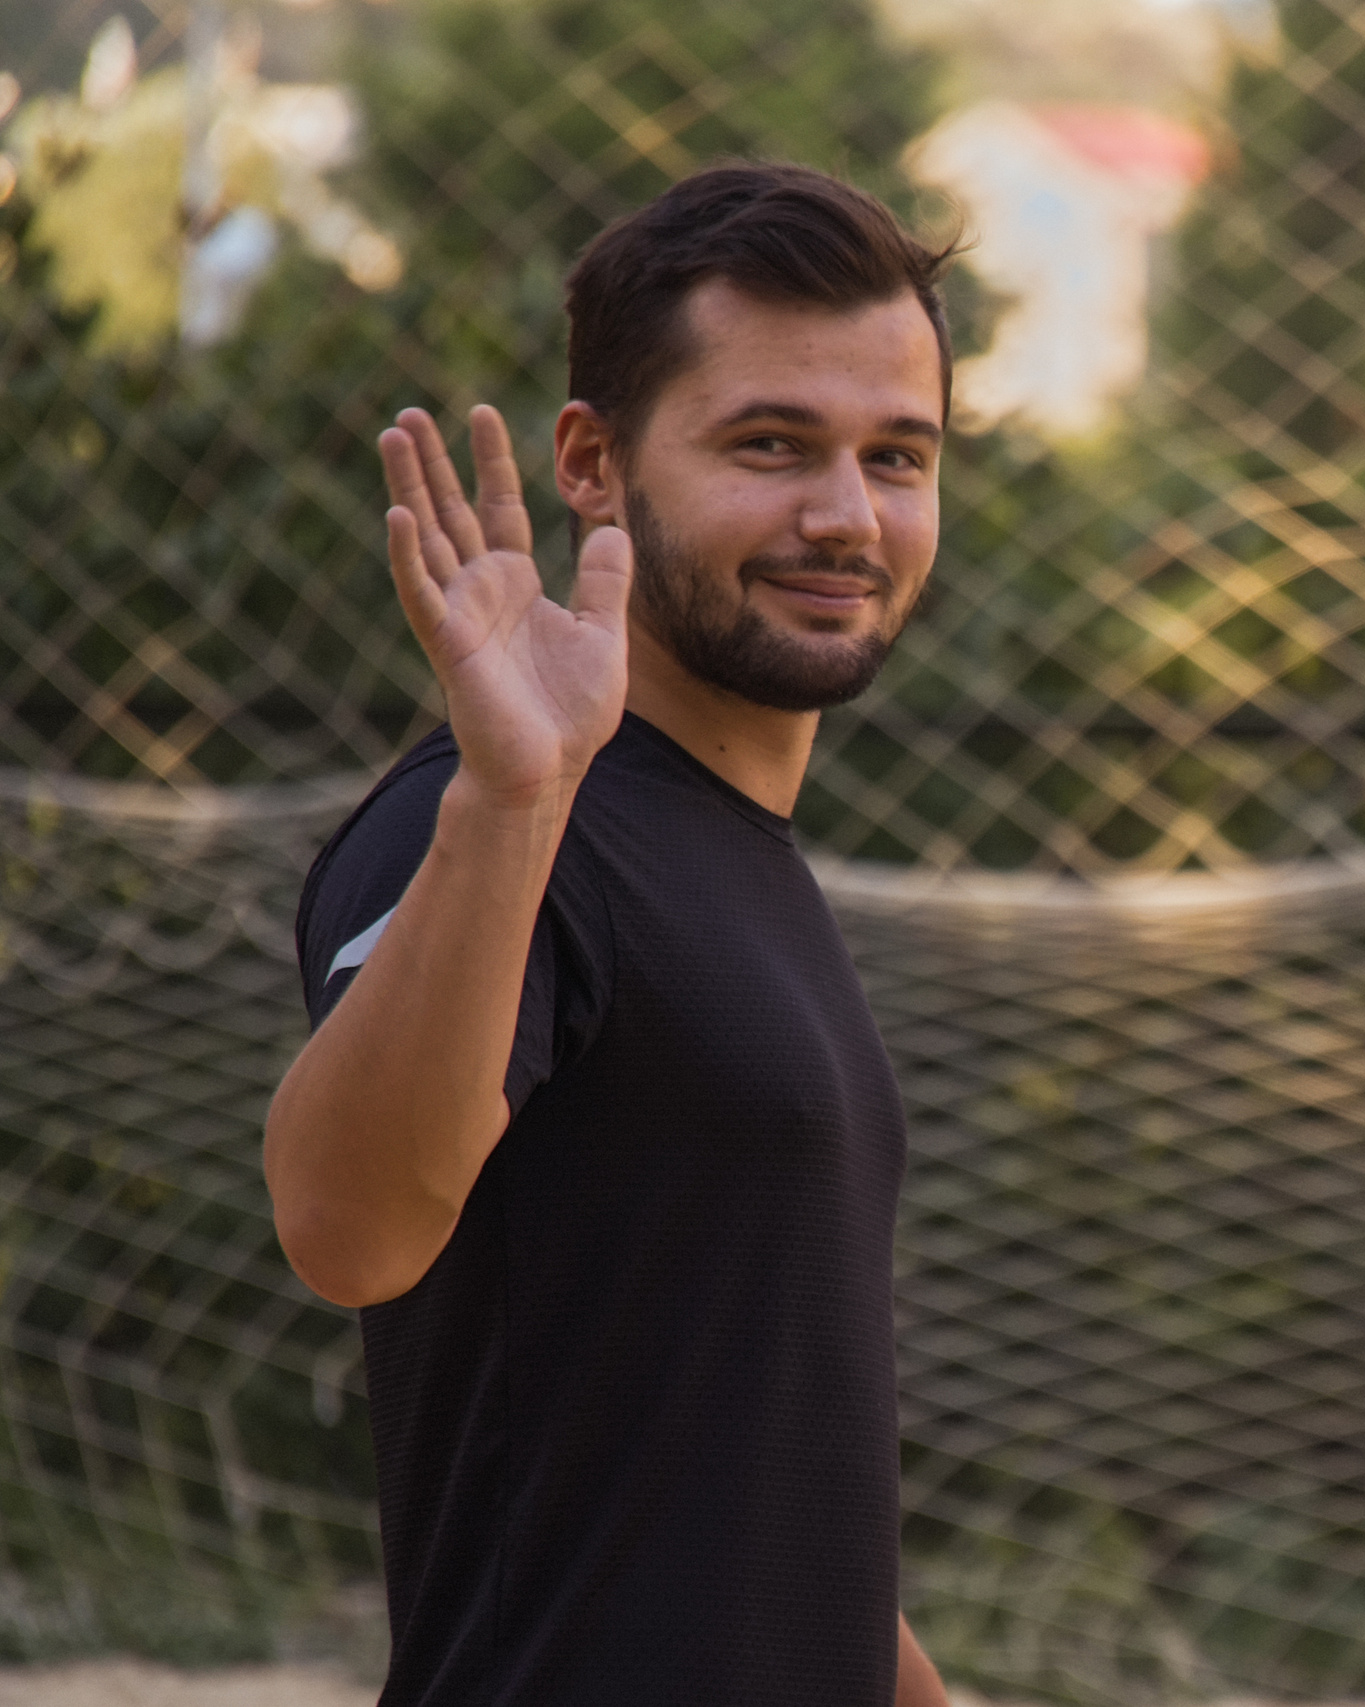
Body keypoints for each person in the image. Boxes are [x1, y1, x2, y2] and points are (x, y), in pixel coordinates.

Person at [265, 162, 957, 1707]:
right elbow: (345, 1227)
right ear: (593, 461)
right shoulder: (496, 822)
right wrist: (509, 801)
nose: (846, 516)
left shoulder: (731, 851)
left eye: (897, 457)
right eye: (770, 445)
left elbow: (755, 1501)